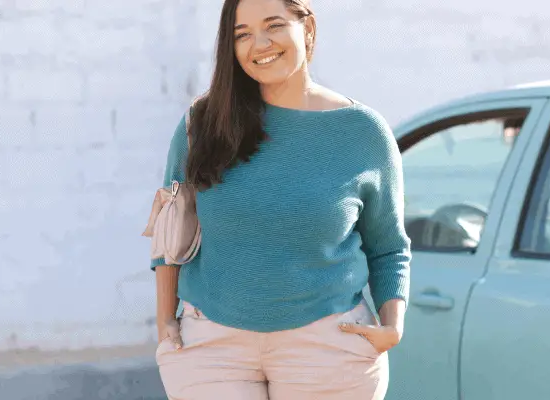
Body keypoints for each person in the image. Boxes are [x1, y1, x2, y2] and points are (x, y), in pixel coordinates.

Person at [149, 0, 411, 398]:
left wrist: (393, 324)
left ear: (307, 29)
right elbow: (170, 229)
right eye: (242, 34)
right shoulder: (201, 125)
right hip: (210, 349)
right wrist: (165, 320)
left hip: (329, 345)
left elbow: (388, 245)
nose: (259, 43)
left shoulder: (362, 132)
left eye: (273, 25)